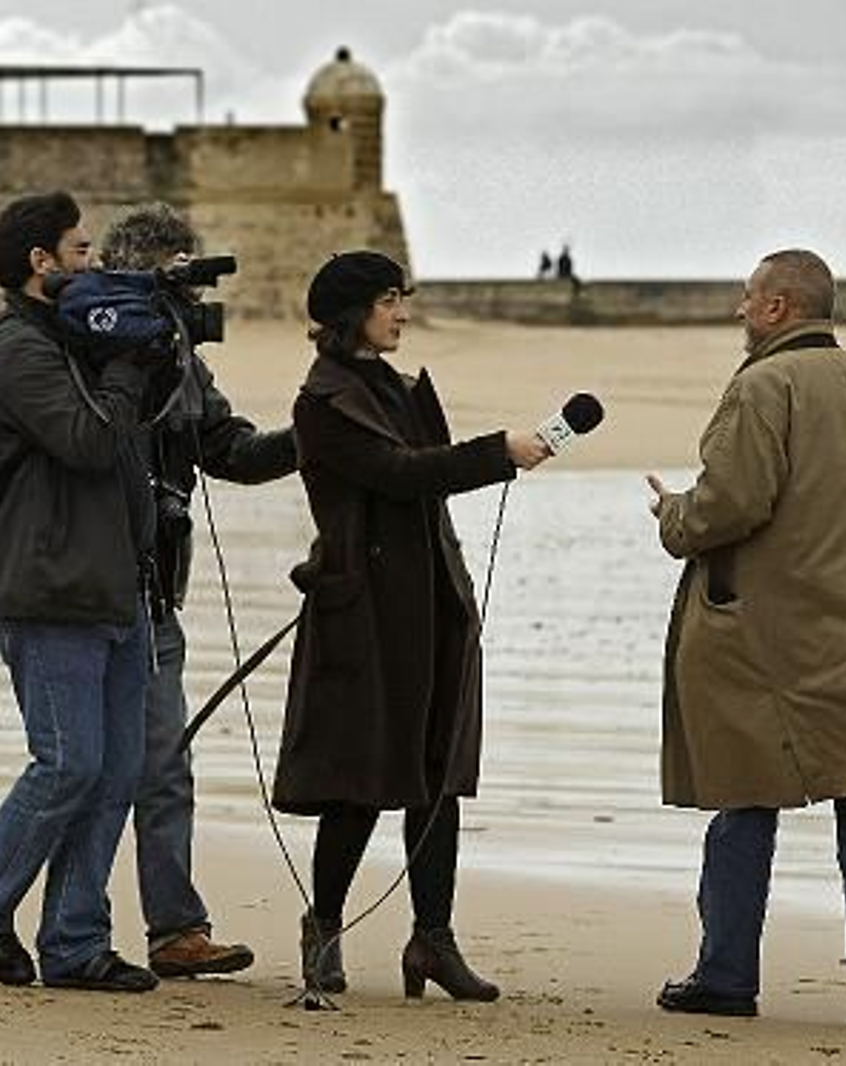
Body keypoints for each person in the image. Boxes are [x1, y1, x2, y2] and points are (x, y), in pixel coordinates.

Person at [645, 249, 846, 1032]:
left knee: (745, 797)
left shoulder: (762, 387)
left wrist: (674, 515)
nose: (739, 313)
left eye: (747, 300)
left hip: (760, 639)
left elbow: (728, 506)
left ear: (779, 308)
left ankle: (725, 976)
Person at [271, 250, 552, 1001]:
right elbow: (399, 475)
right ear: (352, 313)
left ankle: (433, 941)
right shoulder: (321, 403)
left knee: (437, 779)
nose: (401, 312)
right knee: (358, 781)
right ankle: (323, 927)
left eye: (403, 298)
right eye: (390, 300)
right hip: (362, 614)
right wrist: (501, 453)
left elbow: (422, 472)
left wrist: (493, 456)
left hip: (431, 603)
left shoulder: (400, 388)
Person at [0, 191, 160, 993]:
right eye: (79, 251)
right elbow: (86, 440)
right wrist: (122, 367)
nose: (94, 263)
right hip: (44, 589)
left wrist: (150, 349)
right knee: (68, 763)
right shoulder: (17, 351)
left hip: (109, 585)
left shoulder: (74, 340)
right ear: (40, 263)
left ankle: (75, 945)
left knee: (114, 777)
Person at [96, 202, 298, 979]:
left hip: (154, 595)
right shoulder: (86, 347)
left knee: (164, 763)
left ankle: (175, 930)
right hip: (89, 591)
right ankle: (58, 924)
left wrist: (314, 437)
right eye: (178, 280)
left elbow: (229, 448)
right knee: (83, 768)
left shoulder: (180, 357)